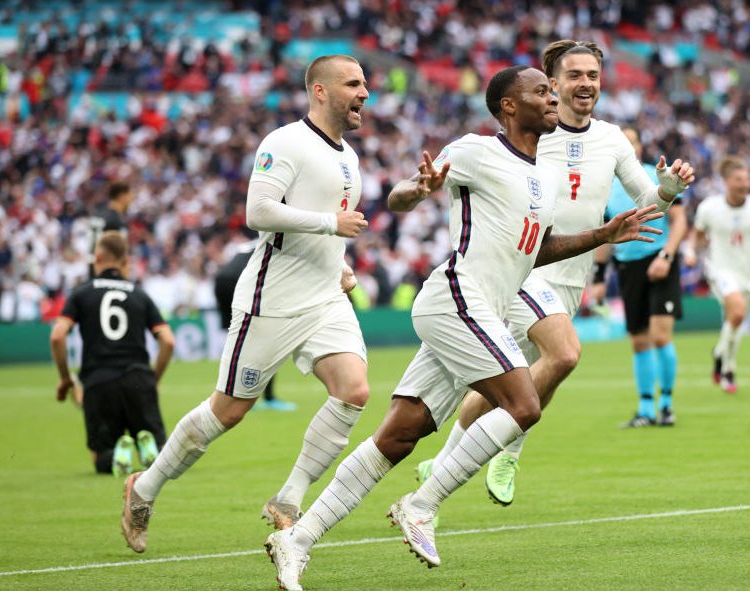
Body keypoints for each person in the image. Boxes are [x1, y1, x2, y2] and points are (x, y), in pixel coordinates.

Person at [262, 64, 664, 591]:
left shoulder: (541, 174)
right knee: (524, 406)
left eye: (552, 90)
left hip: (482, 312)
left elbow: (536, 250)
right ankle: (422, 504)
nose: (551, 99)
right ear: (509, 107)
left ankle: (298, 540)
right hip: (457, 298)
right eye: (540, 91)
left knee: (400, 435)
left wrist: (601, 234)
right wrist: (418, 188)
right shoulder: (477, 151)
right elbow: (402, 195)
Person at [416, 39, 694, 507]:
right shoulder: (532, 134)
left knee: (512, 379)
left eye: (593, 75)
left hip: (571, 276)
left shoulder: (611, 139)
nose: (585, 83)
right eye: (574, 75)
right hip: (523, 270)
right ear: (553, 82)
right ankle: (508, 450)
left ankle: (442, 464)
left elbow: (644, 204)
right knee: (559, 357)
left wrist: (665, 192)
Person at [120, 54, 371, 554]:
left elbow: (328, 222)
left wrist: (338, 261)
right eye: (353, 84)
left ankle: (289, 498)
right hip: (271, 298)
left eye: (365, 83)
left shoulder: (349, 155)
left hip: (324, 296)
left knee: (354, 390)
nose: (364, 93)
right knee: (229, 411)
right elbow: (259, 212)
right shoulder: (285, 142)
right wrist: (329, 227)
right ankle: (143, 489)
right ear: (319, 91)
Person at [49, 231, 175, 476]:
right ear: (125, 261)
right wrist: (154, 379)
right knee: (161, 451)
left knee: (101, 455)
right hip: (138, 380)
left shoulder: (81, 293)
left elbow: (57, 336)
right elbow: (168, 342)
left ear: (97, 257)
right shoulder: (139, 294)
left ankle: (118, 453)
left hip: (99, 382)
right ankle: (148, 447)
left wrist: (66, 379)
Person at [592, 127, 688, 428]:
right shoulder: (603, 186)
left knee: (660, 336)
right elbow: (606, 234)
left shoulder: (655, 175)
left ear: (637, 146)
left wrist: (667, 256)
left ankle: (667, 405)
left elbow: (680, 219)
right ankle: (646, 410)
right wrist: (598, 276)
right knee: (639, 342)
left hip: (660, 260)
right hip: (628, 266)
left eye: (631, 142)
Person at [684, 156, 750, 394]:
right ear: (727, 181)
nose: (745, 183)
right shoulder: (710, 207)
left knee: (736, 322)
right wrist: (690, 252)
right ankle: (726, 366)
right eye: (739, 179)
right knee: (737, 311)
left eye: (748, 178)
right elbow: (697, 236)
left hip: (749, 273)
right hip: (720, 270)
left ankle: (723, 361)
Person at [213, 238, 295, 411]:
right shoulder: (280, 242)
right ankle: (268, 398)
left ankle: (229, 393)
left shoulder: (253, 242)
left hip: (221, 281)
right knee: (266, 338)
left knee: (238, 340)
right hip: (240, 281)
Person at [87, 181, 133, 278]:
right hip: (108, 271)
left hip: (92, 268)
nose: (131, 200)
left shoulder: (98, 214)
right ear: (122, 196)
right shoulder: (116, 222)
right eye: (129, 196)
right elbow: (120, 251)